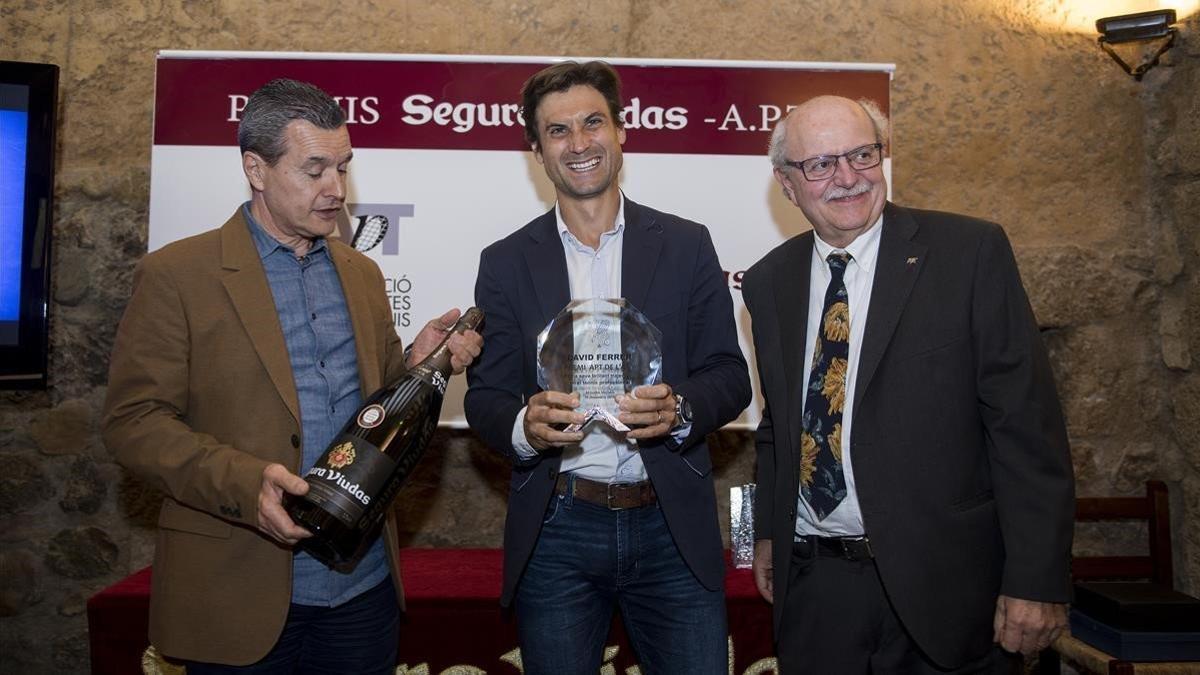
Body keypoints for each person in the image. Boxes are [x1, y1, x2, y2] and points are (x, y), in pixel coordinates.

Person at [102, 78, 482, 673]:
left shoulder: (361, 274)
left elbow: (373, 406)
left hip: (362, 588)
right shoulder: (178, 275)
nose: (336, 190)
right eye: (314, 171)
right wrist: (243, 483)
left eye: (344, 167)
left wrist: (416, 365)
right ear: (256, 169)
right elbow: (133, 424)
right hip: (237, 593)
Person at [743, 95, 1074, 674]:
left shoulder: (969, 254)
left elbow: (1026, 427)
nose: (847, 178)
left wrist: (1036, 579)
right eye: (821, 164)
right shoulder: (770, 281)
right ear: (787, 184)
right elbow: (780, 424)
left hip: (948, 588)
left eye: (862, 155)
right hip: (818, 591)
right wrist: (770, 534)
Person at [463, 61, 750, 674]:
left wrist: (679, 410)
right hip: (558, 527)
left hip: (670, 523)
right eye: (558, 130)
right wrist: (525, 426)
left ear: (622, 131)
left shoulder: (687, 244)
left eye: (593, 122)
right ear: (536, 150)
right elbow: (484, 398)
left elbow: (730, 374)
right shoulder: (506, 261)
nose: (580, 143)